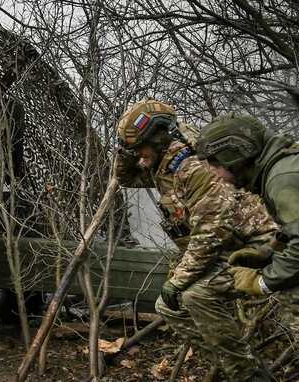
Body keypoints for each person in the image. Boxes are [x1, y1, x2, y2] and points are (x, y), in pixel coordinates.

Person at [116, 99, 276, 381]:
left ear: (158, 137)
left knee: (191, 295)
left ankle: (247, 374)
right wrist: (126, 151)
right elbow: (127, 179)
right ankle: (240, 367)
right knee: (170, 306)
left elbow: (210, 231)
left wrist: (179, 279)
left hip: (256, 249)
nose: (139, 155)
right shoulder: (164, 164)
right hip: (228, 250)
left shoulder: (192, 165)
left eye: (141, 146)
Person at [197, 114, 299, 381]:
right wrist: (268, 253)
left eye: (215, 162)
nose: (212, 171)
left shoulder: (285, 176)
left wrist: (262, 281)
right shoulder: (285, 166)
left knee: (296, 298)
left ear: (236, 153)